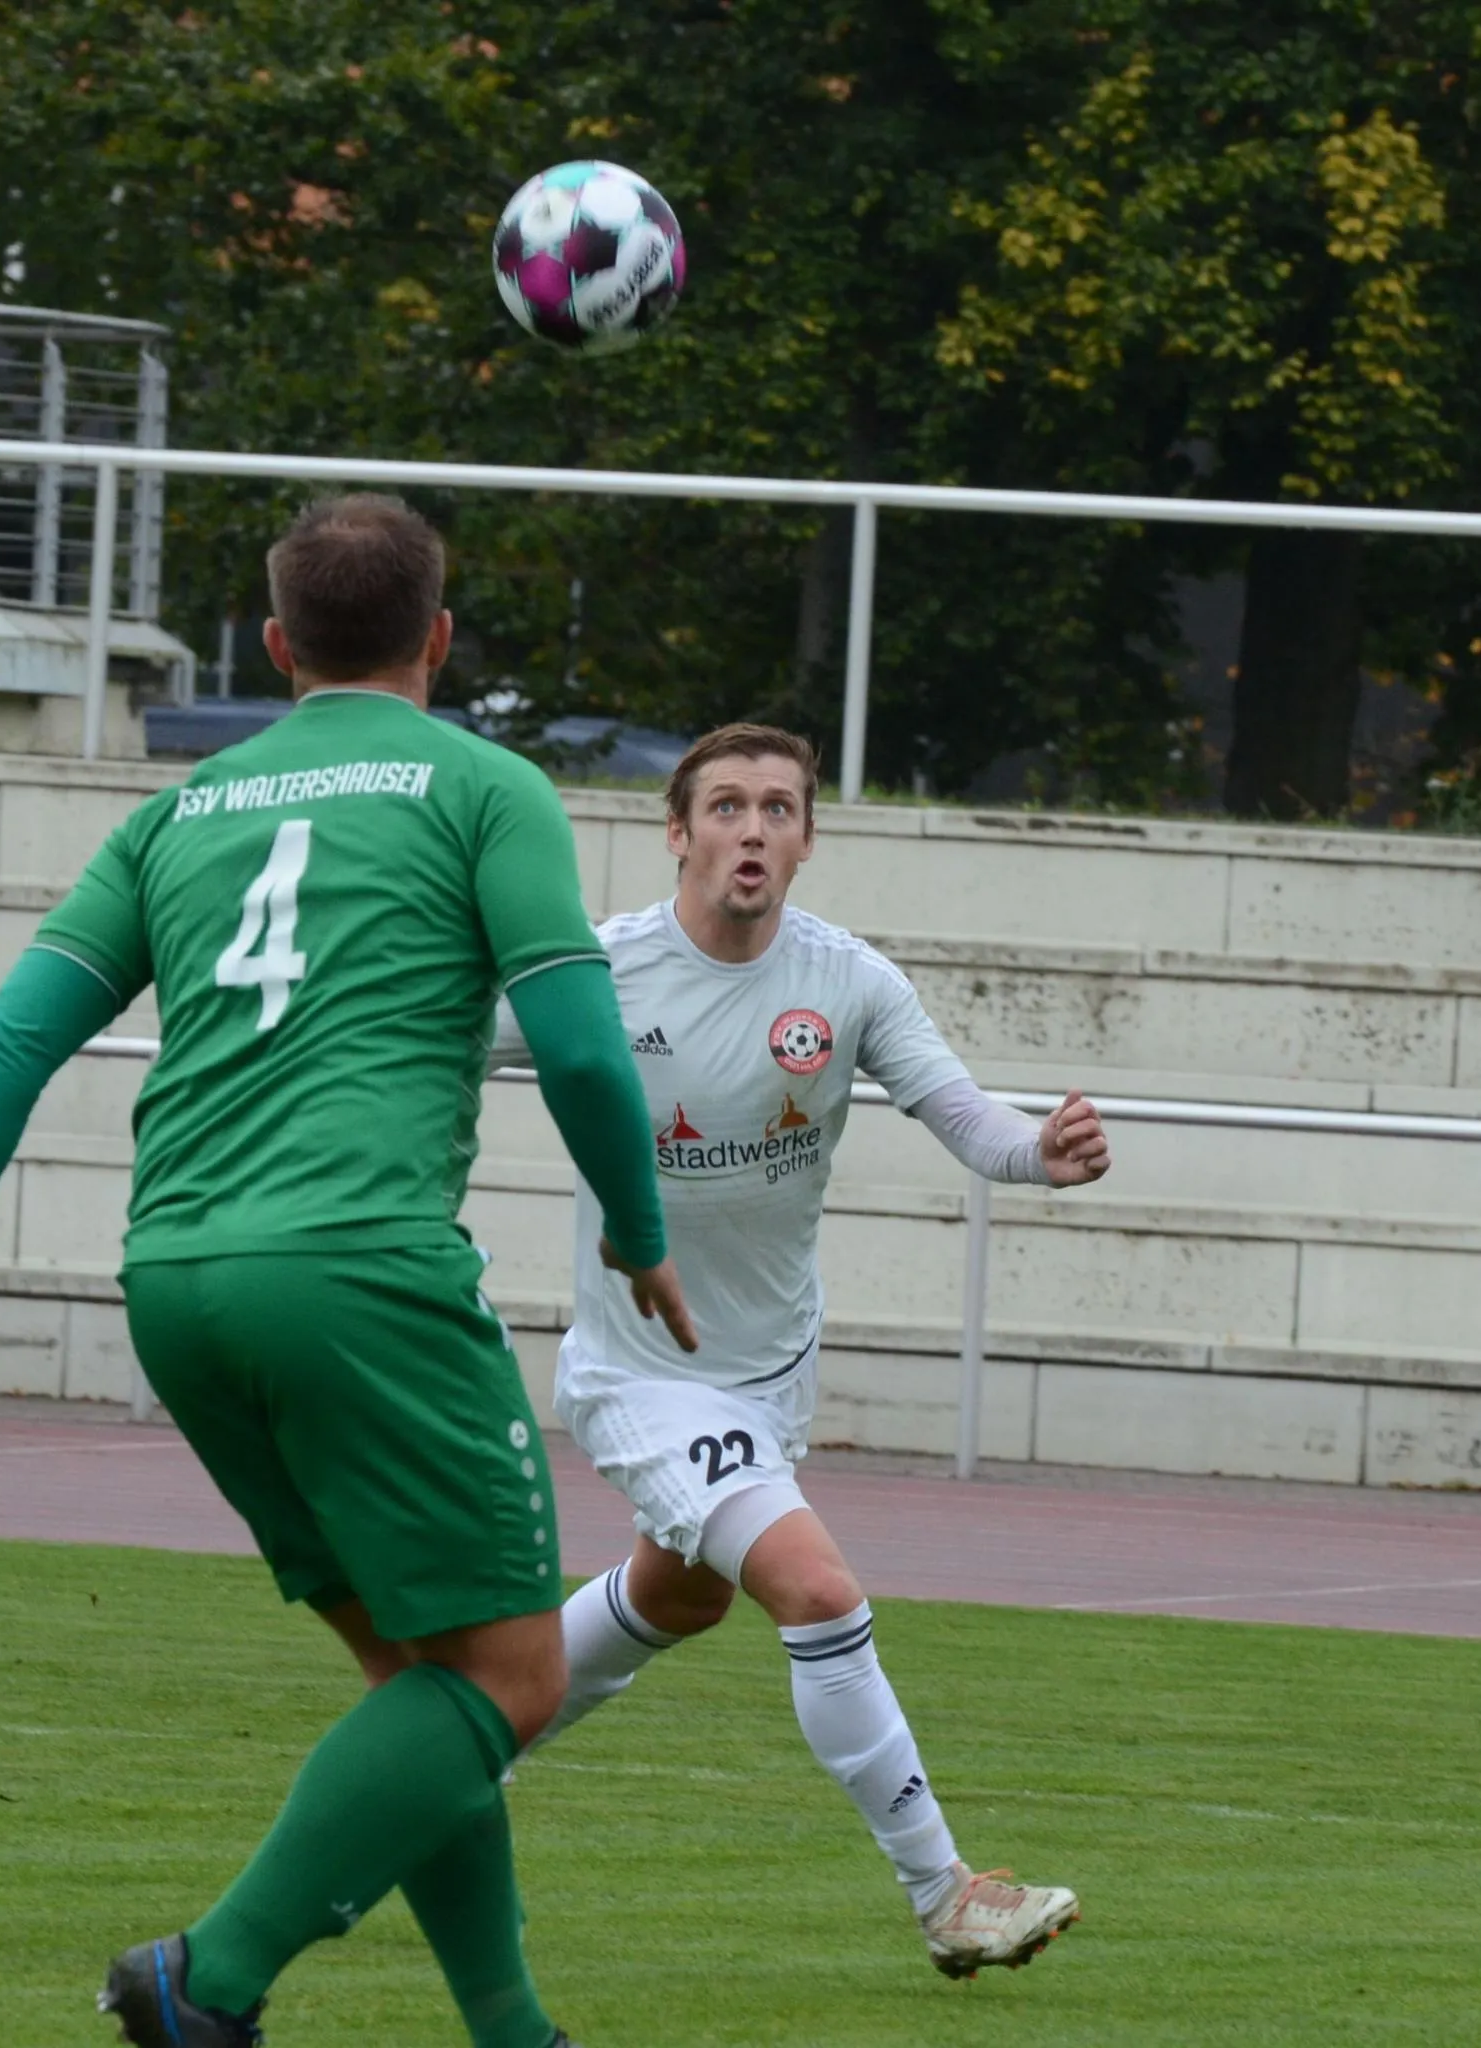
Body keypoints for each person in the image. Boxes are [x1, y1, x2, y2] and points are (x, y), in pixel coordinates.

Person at [0, 495, 697, 2048]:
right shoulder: (485, 788)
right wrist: (640, 1238)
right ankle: (206, 1981)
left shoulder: (178, 813)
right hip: (360, 1272)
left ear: (274, 644)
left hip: (177, 1275)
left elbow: (10, 1046)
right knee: (511, 1680)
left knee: (423, 1676)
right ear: (440, 636)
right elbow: (582, 1048)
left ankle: (515, 2034)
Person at [490, 722, 1110, 1981]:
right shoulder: (596, 971)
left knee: (681, 1594)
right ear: (677, 831)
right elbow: (436, 1041)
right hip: (641, 1372)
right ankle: (945, 1890)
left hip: (769, 1372)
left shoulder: (846, 980)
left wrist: (1038, 1152)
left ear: (806, 839)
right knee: (818, 1591)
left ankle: (452, 1747)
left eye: (778, 807)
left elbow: (963, 1114)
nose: (752, 828)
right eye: (725, 805)